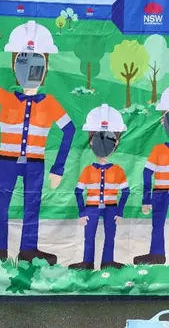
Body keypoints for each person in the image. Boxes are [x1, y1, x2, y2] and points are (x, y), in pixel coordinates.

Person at [0, 21, 75, 265]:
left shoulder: (50, 103)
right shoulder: (6, 98)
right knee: (1, 204)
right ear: (14, 65)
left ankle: (28, 250)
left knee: (32, 205)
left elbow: (70, 129)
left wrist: (58, 167)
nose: (30, 69)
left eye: (37, 63)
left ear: (46, 68)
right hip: (6, 161)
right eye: (23, 62)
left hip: (35, 163)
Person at [69, 105, 129, 271]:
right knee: (89, 236)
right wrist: (82, 212)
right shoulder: (88, 170)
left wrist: (119, 211)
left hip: (111, 208)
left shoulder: (118, 170)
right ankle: (87, 262)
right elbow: (78, 191)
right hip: (91, 209)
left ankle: (107, 262)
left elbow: (126, 191)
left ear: (116, 143)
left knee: (110, 235)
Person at [135, 88, 169, 265]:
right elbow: (147, 172)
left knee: (157, 225)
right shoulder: (158, 150)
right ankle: (157, 255)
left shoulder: (158, 149)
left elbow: (147, 172)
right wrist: (146, 199)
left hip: (160, 193)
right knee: (157, 225)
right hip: (160, 192)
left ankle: (157, 255)